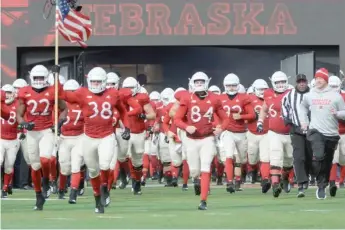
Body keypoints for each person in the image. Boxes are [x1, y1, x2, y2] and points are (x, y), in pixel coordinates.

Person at [59, 67, 142, 213]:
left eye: (98, 82)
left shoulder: (113, 94)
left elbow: (122, 111)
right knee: (92, 171)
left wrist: (127, 127)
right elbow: (61, 95)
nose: (96, 84)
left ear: (104, 82)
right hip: (89, 137)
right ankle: (98, 199)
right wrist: (56, 76)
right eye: (93, 81)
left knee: (105, 165)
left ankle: (105, 188)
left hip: (106, 135)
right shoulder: (82, 93)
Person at [174, 71, 229, 210]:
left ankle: (203, 200)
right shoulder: (187, 98)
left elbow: (226, 118)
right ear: (192, 83)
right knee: (194, 170)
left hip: (207, 138)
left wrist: (221, 128)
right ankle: (196, 180)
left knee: (206, 167)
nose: (199, 84)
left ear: (207, 83)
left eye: (201, 82)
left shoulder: (215, 99)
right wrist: (187, 127)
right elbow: (177, 119)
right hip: (191, 139)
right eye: (197, 82)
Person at [16, 65, 68, 210]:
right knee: (35, 166)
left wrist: (60, 121)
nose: (38, 80)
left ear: (46, 78)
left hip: (46, 130)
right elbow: (19, 115)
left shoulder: (52, 91)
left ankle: (46, 181)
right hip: (32, 133)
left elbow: (64, 109)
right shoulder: (24, 92)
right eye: (36, 77)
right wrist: (25, 123)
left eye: (41, 77)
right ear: (31, 78)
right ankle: (39, 195)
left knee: (45, 159)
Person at [299, 68, 345, 199]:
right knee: (318, 156)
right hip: (315, 131)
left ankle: (322, 185)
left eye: (320, 78)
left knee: (327, 161)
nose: (318, 80)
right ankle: (319, 183)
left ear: (326, 80)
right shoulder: (310, 94)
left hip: (331, 133)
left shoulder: (335, 96)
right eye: (316, 78)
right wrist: (304, 121)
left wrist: (337, 114)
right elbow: (302, 107)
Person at [257, 71, 292, 197]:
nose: (281, 84)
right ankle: (275, 184)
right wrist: (260, 121)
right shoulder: (268, 93)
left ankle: (285, 177)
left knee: (289, 160)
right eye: (278, 82)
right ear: (273, 83)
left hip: (290, 132)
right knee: (275, 156)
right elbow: (264, 108)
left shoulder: (292, 93)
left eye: (283, 81)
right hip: (274, 131)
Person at [220, 73, 255, 192]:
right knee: (229, 156)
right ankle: (229, 182)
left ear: (238, 85)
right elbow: (214, 113)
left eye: (233, 85)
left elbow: (252, 115)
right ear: (225, 85)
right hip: (227, 131)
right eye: (229, 85)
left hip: (241, 132)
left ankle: (238, 181)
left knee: (241, 160)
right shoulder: (220, 98)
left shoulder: (244, 97)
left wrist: (241, 116)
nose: (231, 88)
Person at [281, 74, 312, 198]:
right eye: (299, 82)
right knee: (299, 157)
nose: (302, 84)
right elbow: (284, 109)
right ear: (296, 83)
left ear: (307, 82)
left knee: (310, 157)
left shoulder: (314, 94)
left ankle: (306, 177)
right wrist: (290, 122)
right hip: (296, 130)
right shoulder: (289, 95)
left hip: (312, 130)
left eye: (303, 81)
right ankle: (301, 184)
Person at [1, 84, 20, 198]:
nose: (7, 95)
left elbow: (24, 118)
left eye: (9, 92)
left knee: (9, 165)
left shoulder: (18, 105)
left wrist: (23, 131)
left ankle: (5, 187)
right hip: (0, 138)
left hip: (13, 139)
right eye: (5, 93)